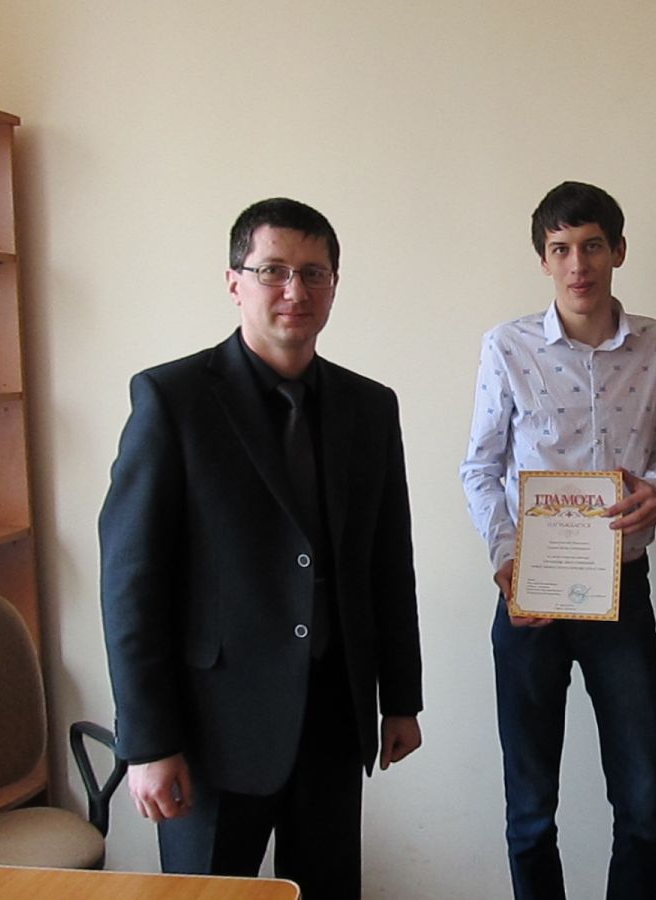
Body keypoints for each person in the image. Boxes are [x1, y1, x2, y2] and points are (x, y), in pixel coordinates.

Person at [99, 197, 424, 900]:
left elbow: (386, 563)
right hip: (210, 731)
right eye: (273, 270)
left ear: (334, 285)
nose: (294, 290)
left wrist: (401, 698)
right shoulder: (172, 399)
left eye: (314, 273)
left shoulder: (370, 407)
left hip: (332, 717)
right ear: (234, 282)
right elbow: (131, 582)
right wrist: (148, 742)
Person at [459, 181, 656, 900]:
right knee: (530, 814)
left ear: (619, 251)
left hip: (624, 591)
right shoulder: (508, 346)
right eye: (560, 249)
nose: (577, 264)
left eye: (591, 246)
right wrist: (505, 560)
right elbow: (479, 467)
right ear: (543, 259)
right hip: (532, 596)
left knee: (643, 809)